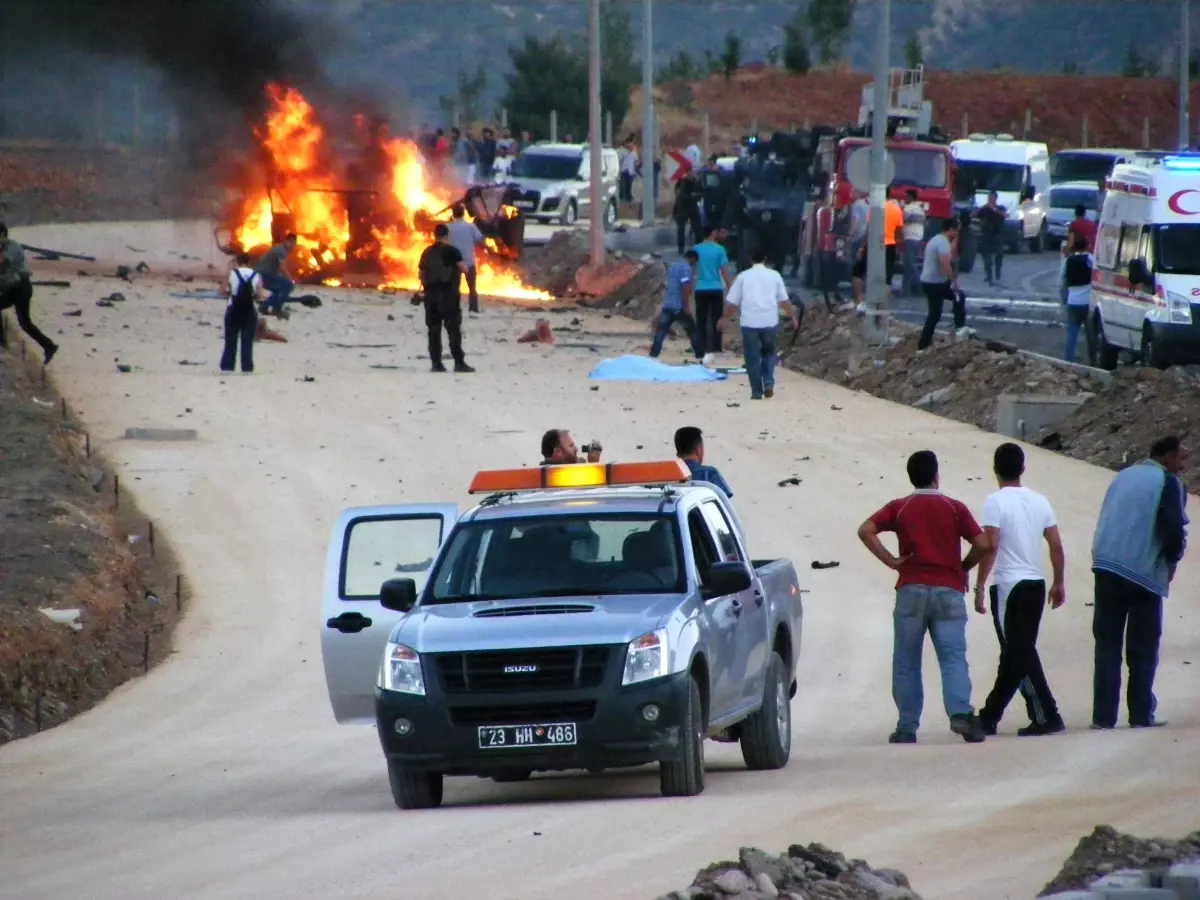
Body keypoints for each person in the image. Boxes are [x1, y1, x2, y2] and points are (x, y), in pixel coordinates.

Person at [857, 450, 991, 745]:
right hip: (949, 591)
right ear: (936, 476)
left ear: (911, 476)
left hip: (911, 590)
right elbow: (983, 543)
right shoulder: (954, 507)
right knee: (953, 657)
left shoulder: (900, 507)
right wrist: (964, 566)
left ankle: (907, 726)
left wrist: (892, 561)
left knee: (906, 660)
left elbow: (866, 530)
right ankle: (960, 714)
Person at [1090, 435, 1189, 730]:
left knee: (1107, 644)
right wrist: (1172, 561)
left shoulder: (1124, 476)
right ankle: (1140, 713)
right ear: (1168, 457)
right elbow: (1172, 528)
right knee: (1142, 646)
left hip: (1106, 564)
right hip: (1142, 571)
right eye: (1181, 458)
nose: (1183, 465)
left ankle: (1103, 717)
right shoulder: (1168, 482)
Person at [972, 443, 1066, 737]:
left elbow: (991, 544)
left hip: (1008, 585)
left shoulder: (995, 501)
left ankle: (1030, 714)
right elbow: (1055, 544)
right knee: (1019, 652)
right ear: (1022, 468)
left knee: (1015, 653)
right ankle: (1011, 715)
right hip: (1035, 584)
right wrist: (1059, 581)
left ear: (995, 469)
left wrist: (979, 584)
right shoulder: (1040, 501)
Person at [718, 245, 800, 401]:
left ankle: (756, 392)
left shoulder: (743, 277)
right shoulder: (775, 275)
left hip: (750, 323)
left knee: (752, 358)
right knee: (769, 354)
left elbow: (732, 303)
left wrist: (724, 319)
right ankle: (768, 381)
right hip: (770, 322)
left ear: (750, 259)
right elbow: (784, 301)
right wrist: (793, 318)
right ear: (765, 260)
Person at [417, 223, 474, 373]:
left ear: (434, 235)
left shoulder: (427, 252)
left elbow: (420, 275)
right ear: (447, 236)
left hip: (430, 296)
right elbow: (464, 268)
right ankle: (459, 362)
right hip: (448, 295)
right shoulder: (452, 251)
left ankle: (436, 363)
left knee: (433, 330)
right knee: (453, 329)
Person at [0, 223, 58, 364]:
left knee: (24, 322)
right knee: (25, 323)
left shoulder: (13, 247)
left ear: (2, 235)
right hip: (11, 289)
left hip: (21, 288)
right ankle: (49, 346)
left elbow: (2, 261)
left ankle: (2, 343)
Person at [917, 218, 964, 351]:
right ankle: (960, 329)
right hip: (935, 284)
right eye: (957, 231)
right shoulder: (943, 243)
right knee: (958, 298)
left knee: (935, 313)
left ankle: (923, 344)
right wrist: (954, 282)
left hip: (930, 282)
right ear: (951, 230)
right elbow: (945, 263)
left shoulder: (937, 240)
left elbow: (951, 258)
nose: (957, 235)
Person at [650, 249, 704, 360]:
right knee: (692, 331)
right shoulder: (685, 268)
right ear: (693, 259)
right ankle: (700, 355)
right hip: (678, 306)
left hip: (668, 304)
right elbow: (684, 287)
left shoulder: (673, 267)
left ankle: (654, 354)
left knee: (661, 331)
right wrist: (685, 306)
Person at [221, 253, 263, 373]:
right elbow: (260, 295)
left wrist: (229, 294)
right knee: (247, 342)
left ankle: (228, 366)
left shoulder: (232, 273)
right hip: (250, 311)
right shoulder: (256, 275)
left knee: (230, 341)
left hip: (233, 309)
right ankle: (247, 367)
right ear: (249, 262)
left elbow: (221, 291)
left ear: (237, 262)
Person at [693, 226, 732, 356]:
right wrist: (730, 286)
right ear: (713, 233)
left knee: (701, 319)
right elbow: (724, 270)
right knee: (716, 318)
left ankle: (701, 347)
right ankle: (716, 347)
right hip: (716, 288)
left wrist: (690, 287)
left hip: (700, 288)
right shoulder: (720, 249)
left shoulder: (696, 249)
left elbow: (692, 270)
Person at [1061, 232, 1095, 363]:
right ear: (1087, 246)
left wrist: (1064, 299)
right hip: (1088, 302)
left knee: (1071, 334)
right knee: (1091, 334)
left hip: (1072, 301)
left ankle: (1068, 361)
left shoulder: (1068, 261)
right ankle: (1093, 360)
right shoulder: (1091, 259)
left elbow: (1062, 283)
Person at [674, 426, 733, 497]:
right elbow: (724, 502)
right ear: (698, 450)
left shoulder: (665, 478)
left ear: (678, 453)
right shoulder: (709, 473)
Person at [446, 204, 484, 313]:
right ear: (463, 213)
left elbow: (443, 243)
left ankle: (454, 308)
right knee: (472, 287)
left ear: (453, 214)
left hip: (453, 262)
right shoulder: (471, 227)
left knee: (454, 287)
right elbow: (480, 240)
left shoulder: (448, 227)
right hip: (468, 262)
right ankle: (473, 308)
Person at [256, 233, 297, 318]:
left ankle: (265, 306)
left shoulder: (278, 248)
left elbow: (279, 270)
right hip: (264, 276)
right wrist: (290, 280)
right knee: (288, 286)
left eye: (293, 244)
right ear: (286, 241)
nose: (292, 245)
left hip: (261, 276)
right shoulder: (281, 251)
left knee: (279, 289)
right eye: (291, 242)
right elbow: (282, 268)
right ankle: (276, 308)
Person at [976, 191, 1007, 286]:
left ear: (996, 198)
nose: (990, 199)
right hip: (986, 236)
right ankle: (989, 278)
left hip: (997, 236)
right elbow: (974, 214)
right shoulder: (985, 209)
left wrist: (993, 209)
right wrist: (984, 207)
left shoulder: (1000, 208)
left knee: (999, 256)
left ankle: (997, 275)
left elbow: (1004, 215)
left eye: (992, 197)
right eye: (989, 197)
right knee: (987, 259)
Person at [902, 189, 926, 296]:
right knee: (908, 265)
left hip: (910, 238)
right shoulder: (920, 209)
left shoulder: (908, 208)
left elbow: (902, 220)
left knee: (910, 264)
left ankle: (921, 285)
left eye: (906, 197)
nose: (904, 199)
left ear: (911, 197)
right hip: (918, 238)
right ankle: (906, 289)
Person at [672, 171, 702, 255]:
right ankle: (681, 248)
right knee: (681, 228)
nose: (692, 174)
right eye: (691, 172)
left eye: (693, 173)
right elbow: (679, 193)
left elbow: (699, 194)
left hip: (692, 206)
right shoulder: (682, 182)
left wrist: (696, 196)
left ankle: (698, 246)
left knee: (697, 227)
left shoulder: (696, 182)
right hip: (682, 207)